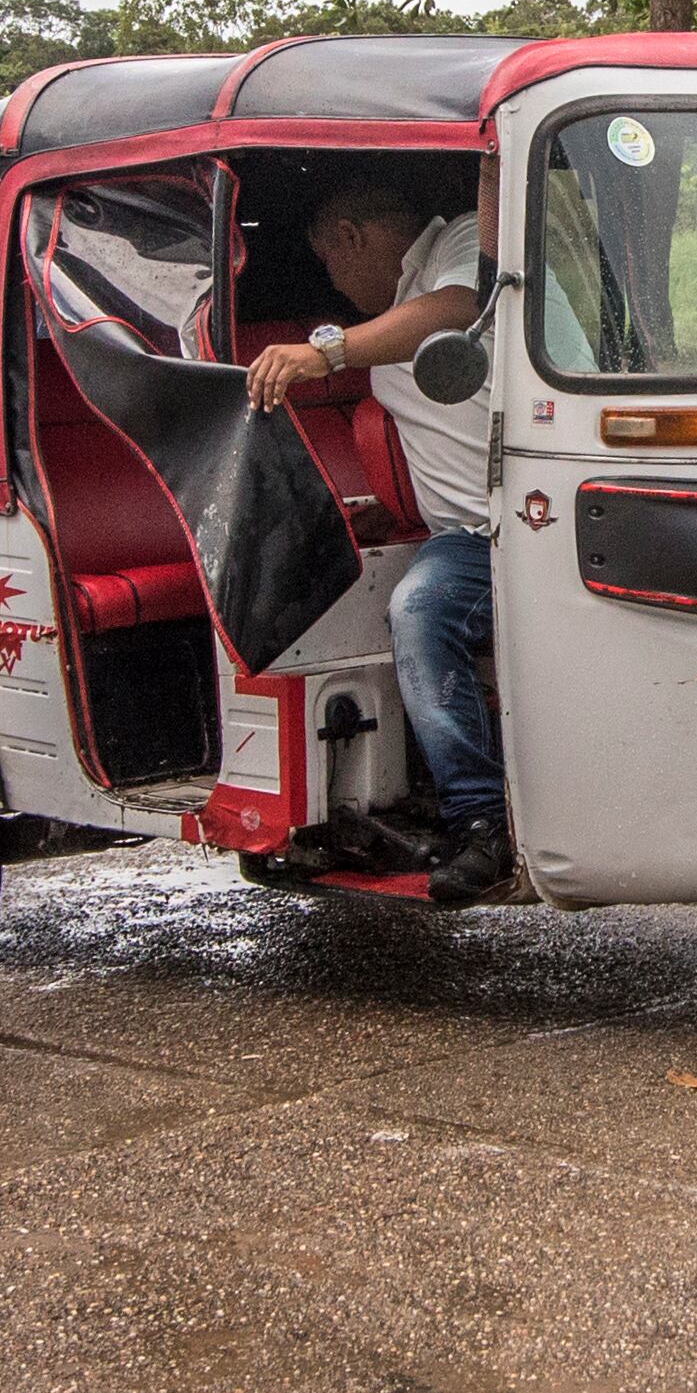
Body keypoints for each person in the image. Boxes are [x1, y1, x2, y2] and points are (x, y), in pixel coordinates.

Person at [242, 178, 504, 898]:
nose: (336, 286)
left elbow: (463, 307)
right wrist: (390, 510)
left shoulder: (457, 242)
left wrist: (324, 352)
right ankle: (481, 820)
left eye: (331, 265)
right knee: (419, 609)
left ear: (350, 238)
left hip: (532, 524)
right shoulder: (391, 319)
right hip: (465, 539)